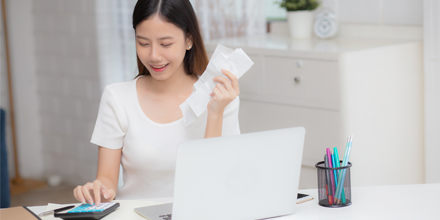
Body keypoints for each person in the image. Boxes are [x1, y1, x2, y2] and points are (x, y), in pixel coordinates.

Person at [73, 0, 240, 206]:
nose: (153, 56)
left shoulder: (221, 97)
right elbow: (107, 179)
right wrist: (98, 190)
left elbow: (216, 181)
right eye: (143, 43)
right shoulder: (117, 98)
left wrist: (215, 113)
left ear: (189, 39)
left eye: (165, 44)